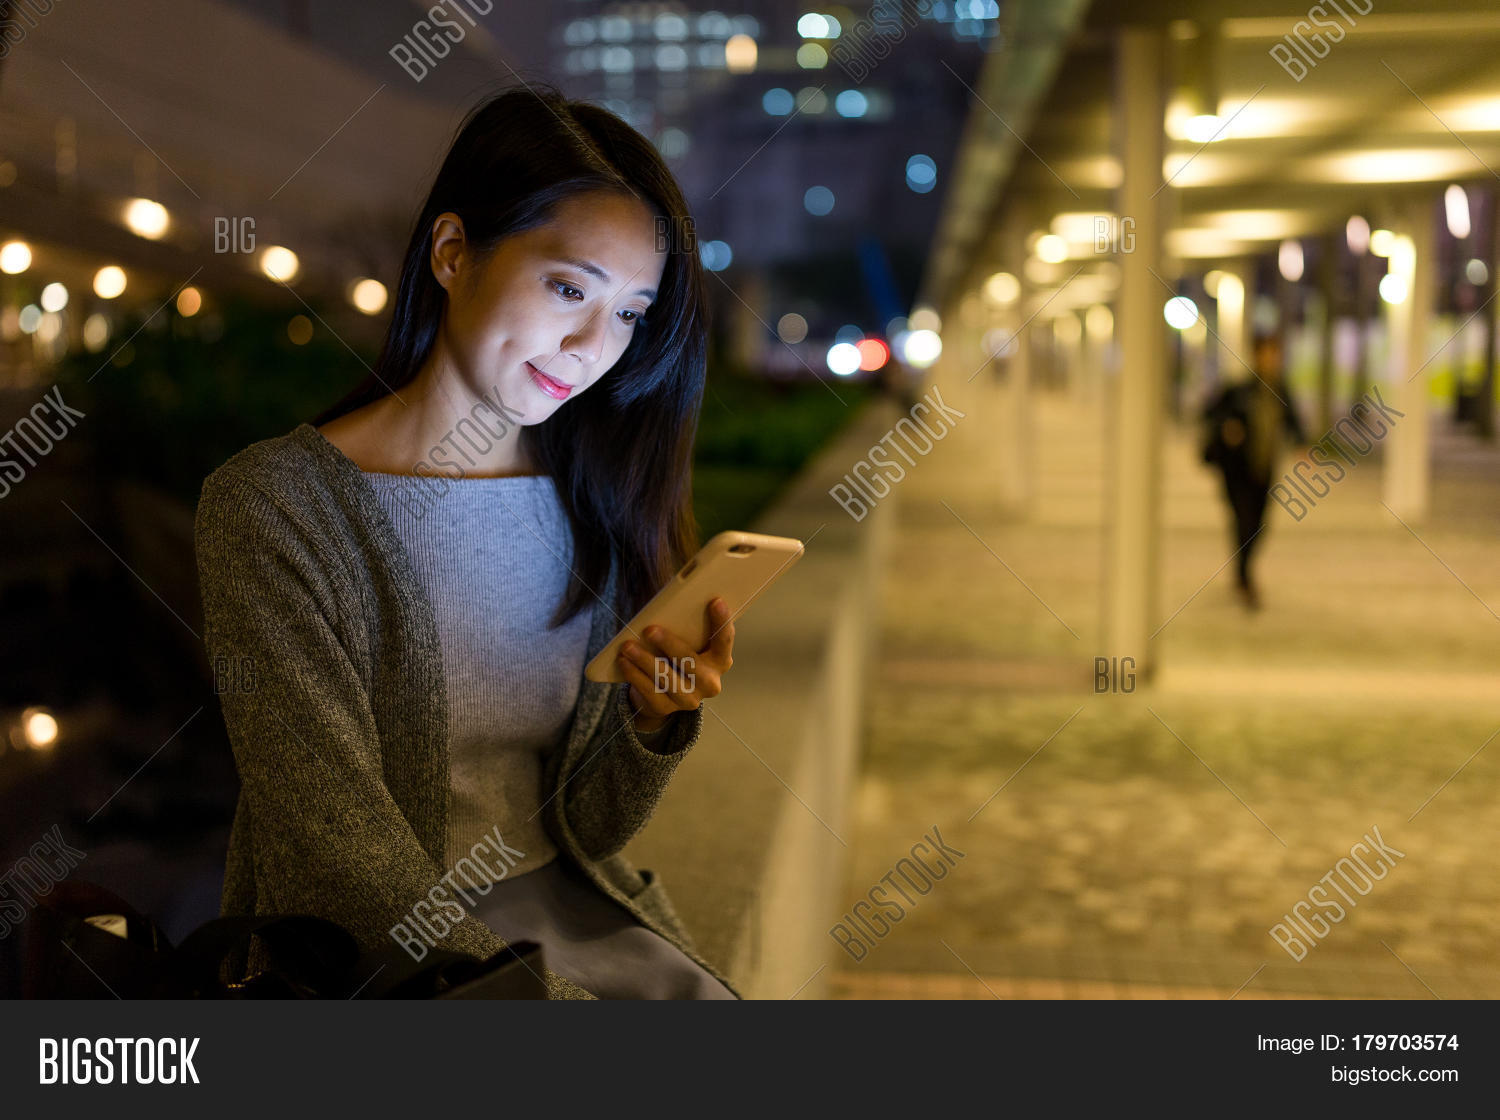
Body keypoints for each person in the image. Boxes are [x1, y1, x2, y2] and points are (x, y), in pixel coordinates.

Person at [194, 84, 738, 999]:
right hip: (380, 965)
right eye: (569, 287)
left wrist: (650, 722)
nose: (591, 345)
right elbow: (336, 851)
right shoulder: (273, 506)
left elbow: (587, 832)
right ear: (453, 253)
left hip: (562, 912)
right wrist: (536, 1004)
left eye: (631, 314)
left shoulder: (589, 501)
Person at [1200, 332, 1307, 611]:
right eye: (1266, 353)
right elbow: (1208, 413)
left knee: (1259, 525)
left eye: (1275, 354)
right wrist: (1229, 428)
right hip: (1236, 472)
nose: (1271, 359)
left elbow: (1293, 421)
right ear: (1256, 355)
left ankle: (1243, 572)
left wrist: (1302, 445)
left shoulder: (1280, 390)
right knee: (1243, 521)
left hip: (1264, 470)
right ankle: (1245, 578)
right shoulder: (1240, 389)